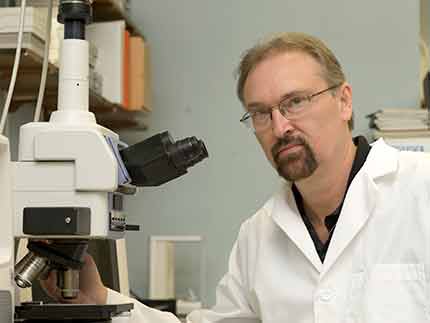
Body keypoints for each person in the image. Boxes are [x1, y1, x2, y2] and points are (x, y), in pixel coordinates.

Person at [42, 32, 430, 322]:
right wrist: (99, 299)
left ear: (343, 100)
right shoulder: (259, 235)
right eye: (261, 112)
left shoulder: (419, 190)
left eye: (295, 102)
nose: (280, 127)